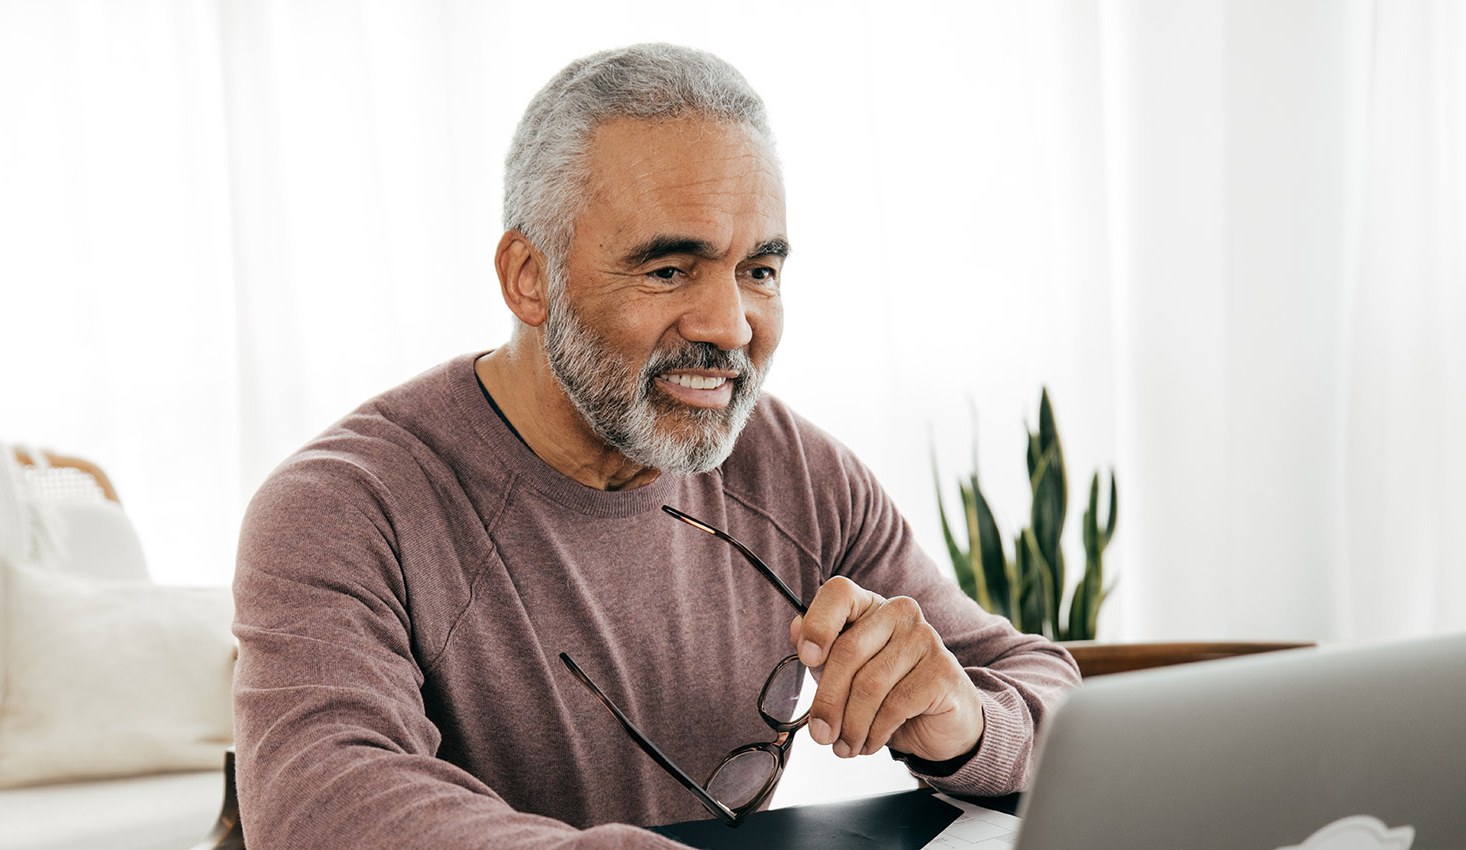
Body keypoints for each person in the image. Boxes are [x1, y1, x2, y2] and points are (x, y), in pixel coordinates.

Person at [231, 43, 1079, 849]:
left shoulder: (794, 471)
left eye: (760, 270)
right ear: (529, 277)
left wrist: (966, 725)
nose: (729, 326)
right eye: (669, 270)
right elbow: (320, 799)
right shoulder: (341, 505)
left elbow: (1041, 687)